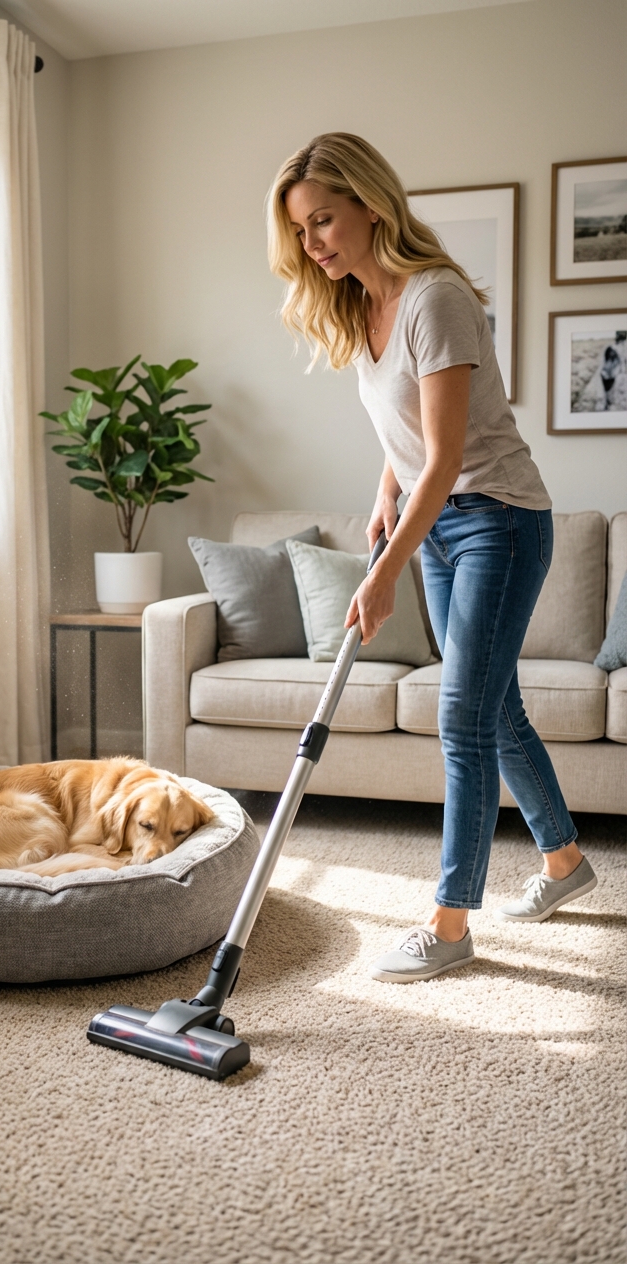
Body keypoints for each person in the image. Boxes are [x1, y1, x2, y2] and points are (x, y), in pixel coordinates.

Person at [266, 133, 597, 982]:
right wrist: (384, 488)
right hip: (440, 523)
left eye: (325, 221)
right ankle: (564, 862)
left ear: (371, 203)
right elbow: (410, 434)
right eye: (302, 232)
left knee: (462, 717)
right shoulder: (361, 307)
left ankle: (450, 922)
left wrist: (379, 575)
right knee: (494, 707)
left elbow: (449, 458)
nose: (314, 245)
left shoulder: (436, 297)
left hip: (499, 519)